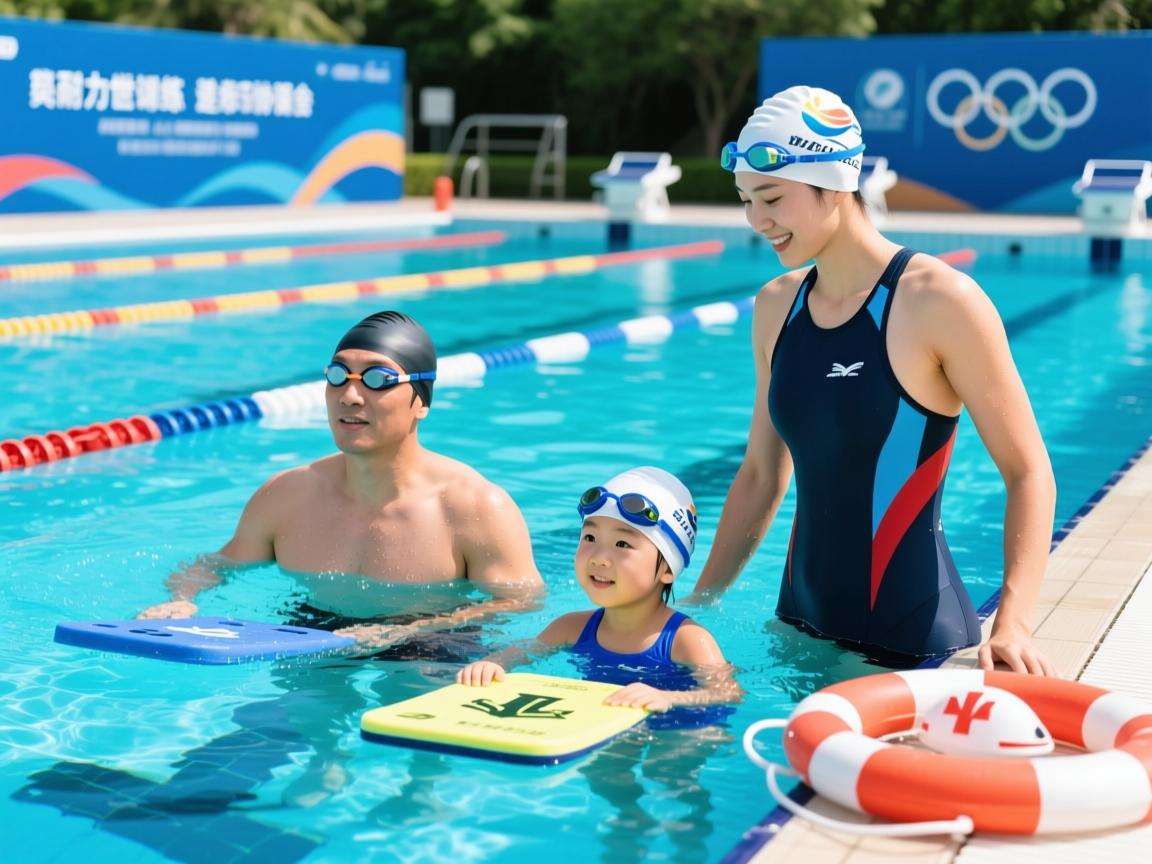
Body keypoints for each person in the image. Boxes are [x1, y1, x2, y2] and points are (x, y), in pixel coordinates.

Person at [688, 85, 1056, 675]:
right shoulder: (775, 306)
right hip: (797, 627)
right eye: (746, 201)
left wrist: (1013, 622)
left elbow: (1028, 470)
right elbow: (761, 474)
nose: (757, 221)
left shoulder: (938, 300)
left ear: (834, 184)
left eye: (772, 198)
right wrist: (697, 607)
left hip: (910, 639)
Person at [139, 309, 543, 649]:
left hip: (432, 636)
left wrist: (406, 631)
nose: (350, 396)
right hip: (313, 628)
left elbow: (520, 599)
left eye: (377, 379)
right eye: (338, 375)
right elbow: (216, 564)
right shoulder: (287, 495)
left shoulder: (472, 505)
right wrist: (182, 599)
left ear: (421, 402)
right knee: (283, 724)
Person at [458, 466, 741, 715]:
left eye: (622, 545)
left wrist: (668, 698)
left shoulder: (688, 640)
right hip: (608, 724)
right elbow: (517, 654)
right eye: (590, 537)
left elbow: (728, 693)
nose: (599, 558)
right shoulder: (570, 628)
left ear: (667, 569)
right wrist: (492, 665)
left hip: (684, 729)